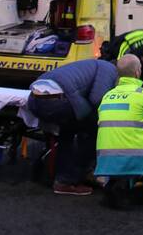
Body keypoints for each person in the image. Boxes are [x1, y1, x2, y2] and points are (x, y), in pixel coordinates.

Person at [26, 59, 118, 196]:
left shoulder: (89, 65)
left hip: (34, 99)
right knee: (95, 131)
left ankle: (63, 179)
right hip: (57, 100)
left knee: (67, 132)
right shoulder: (110, 69)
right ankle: (76, 176)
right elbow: (97, 98)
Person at [94, 54, 143, 208]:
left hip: (106, 160)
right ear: (137, 72)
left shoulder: (107, 96)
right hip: (135, 157)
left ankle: (116, 182)